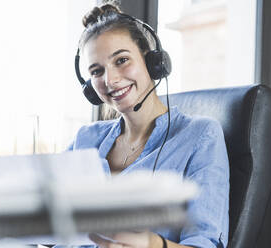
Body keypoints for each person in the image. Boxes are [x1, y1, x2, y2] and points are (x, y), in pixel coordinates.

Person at [68, 3, 229, 248]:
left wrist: (150, 243)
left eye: (121, 60)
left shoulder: (200, 135)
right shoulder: (86, 138)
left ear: (152, 61)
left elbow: (204, 244)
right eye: (97, 71)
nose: (110, 80)